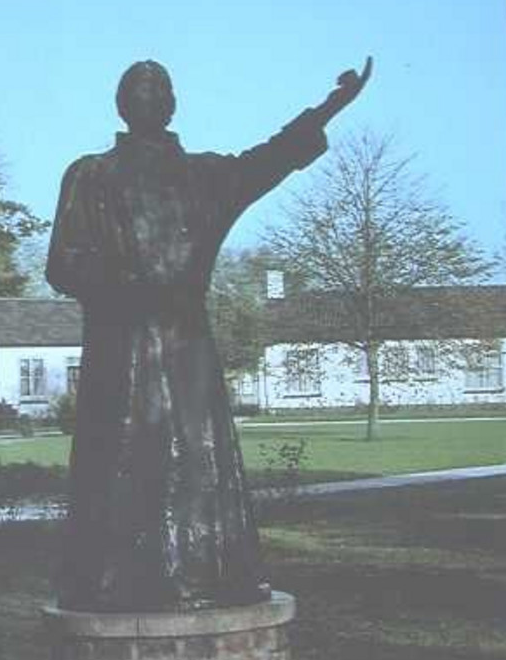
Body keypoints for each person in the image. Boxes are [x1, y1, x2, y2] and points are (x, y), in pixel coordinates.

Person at [46, 58, 372, 611]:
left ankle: (204, 571)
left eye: (160, 89)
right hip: (121, 346)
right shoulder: (90, 175)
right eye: (138, 90)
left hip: (186, 348)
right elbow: (63, 263)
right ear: (121, 104)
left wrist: (329, 108)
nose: (150, 99)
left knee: (196, 463)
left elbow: (271, 158)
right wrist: (127, 287)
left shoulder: (205, 176)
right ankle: (114, 577)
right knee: (122, 462)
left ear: (174, 103)